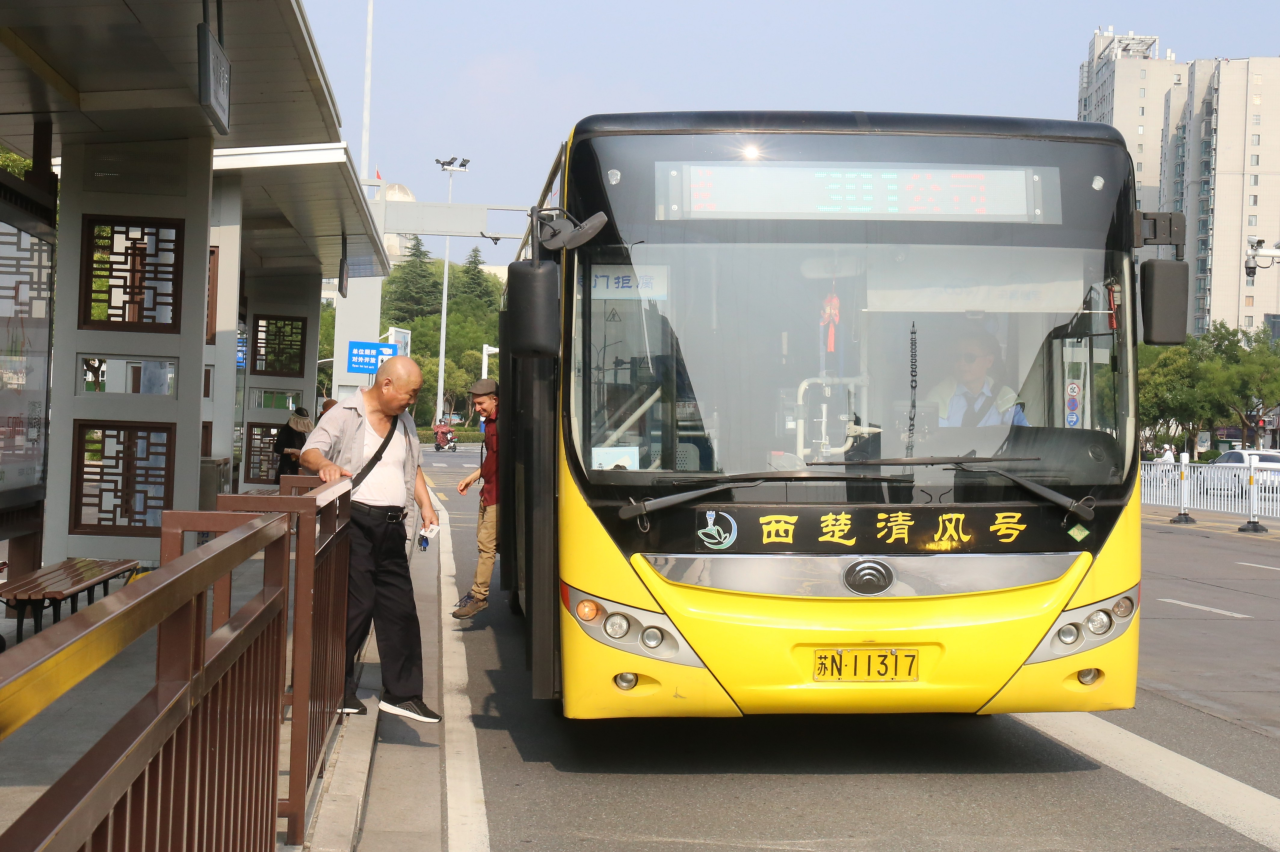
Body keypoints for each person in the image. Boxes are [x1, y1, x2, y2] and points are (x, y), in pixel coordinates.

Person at [300, 356, 442, 723]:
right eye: (410, 394)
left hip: (393, 526)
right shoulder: (346, 413)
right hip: (355, 521)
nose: (412, 401)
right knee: (358, 605)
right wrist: (325, 465)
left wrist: (426, 505)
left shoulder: (404, 421)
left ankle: (403, 695)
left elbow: (412, 466)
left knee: (400, 608)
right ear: (386, 385)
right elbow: (310, 451)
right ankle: (335, 687)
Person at [453, 378, 499, 619]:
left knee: (486, 546)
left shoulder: (500, 424)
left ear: (495, 400)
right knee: (484, 543)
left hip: (498, 494)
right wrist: (472, 478)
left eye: (481, 403)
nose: (477, 408)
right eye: (475, 404)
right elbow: (491, 461)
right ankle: (477, 594)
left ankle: (479, 597)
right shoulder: (490, 423)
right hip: (488, 491)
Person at [925, 329, 1029, 428]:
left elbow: (1023, 435)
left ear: (989, 361)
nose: (962, 363)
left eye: (970, 357)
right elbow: (935, 437)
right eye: (957, 357)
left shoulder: (1004, 396)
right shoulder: (940, 396)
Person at [272, 406, 314, 484]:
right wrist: (293, 451)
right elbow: (277, 448)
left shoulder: (301, 432)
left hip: (299, 466)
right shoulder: (286, 430)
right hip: (287, 467)